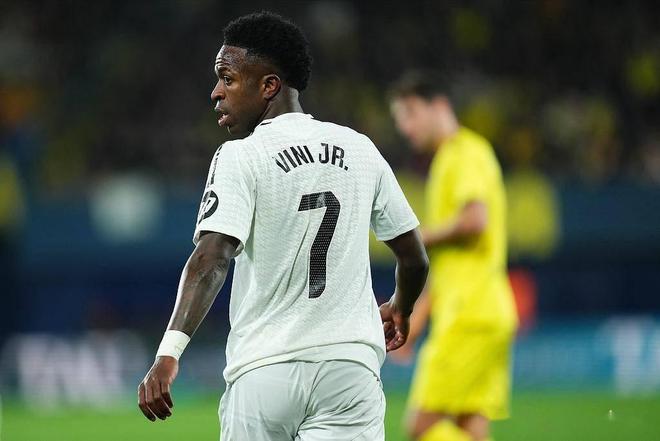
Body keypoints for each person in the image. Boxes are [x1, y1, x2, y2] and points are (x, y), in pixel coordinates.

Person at [137, 11, 428, 441]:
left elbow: (212, 257)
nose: (216, 92)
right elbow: (415, 258)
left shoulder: (241, 156)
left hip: (265, 371)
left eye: (227, 78)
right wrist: (401, 308)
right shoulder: (360, 149)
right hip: (349, 371)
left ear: (269, 86)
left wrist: (168, 353)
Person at [389, 71, 518, 441]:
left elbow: (475, 220)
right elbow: (449, 267)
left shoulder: (462, 152)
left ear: (439, 106)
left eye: (411, 113)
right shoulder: (454, 158)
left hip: (469, 315)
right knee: (469, 427)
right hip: (484, 310)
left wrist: (416, 237)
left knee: (421, 428)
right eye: (400, 120)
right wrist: (415, 319)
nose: (405, 128)